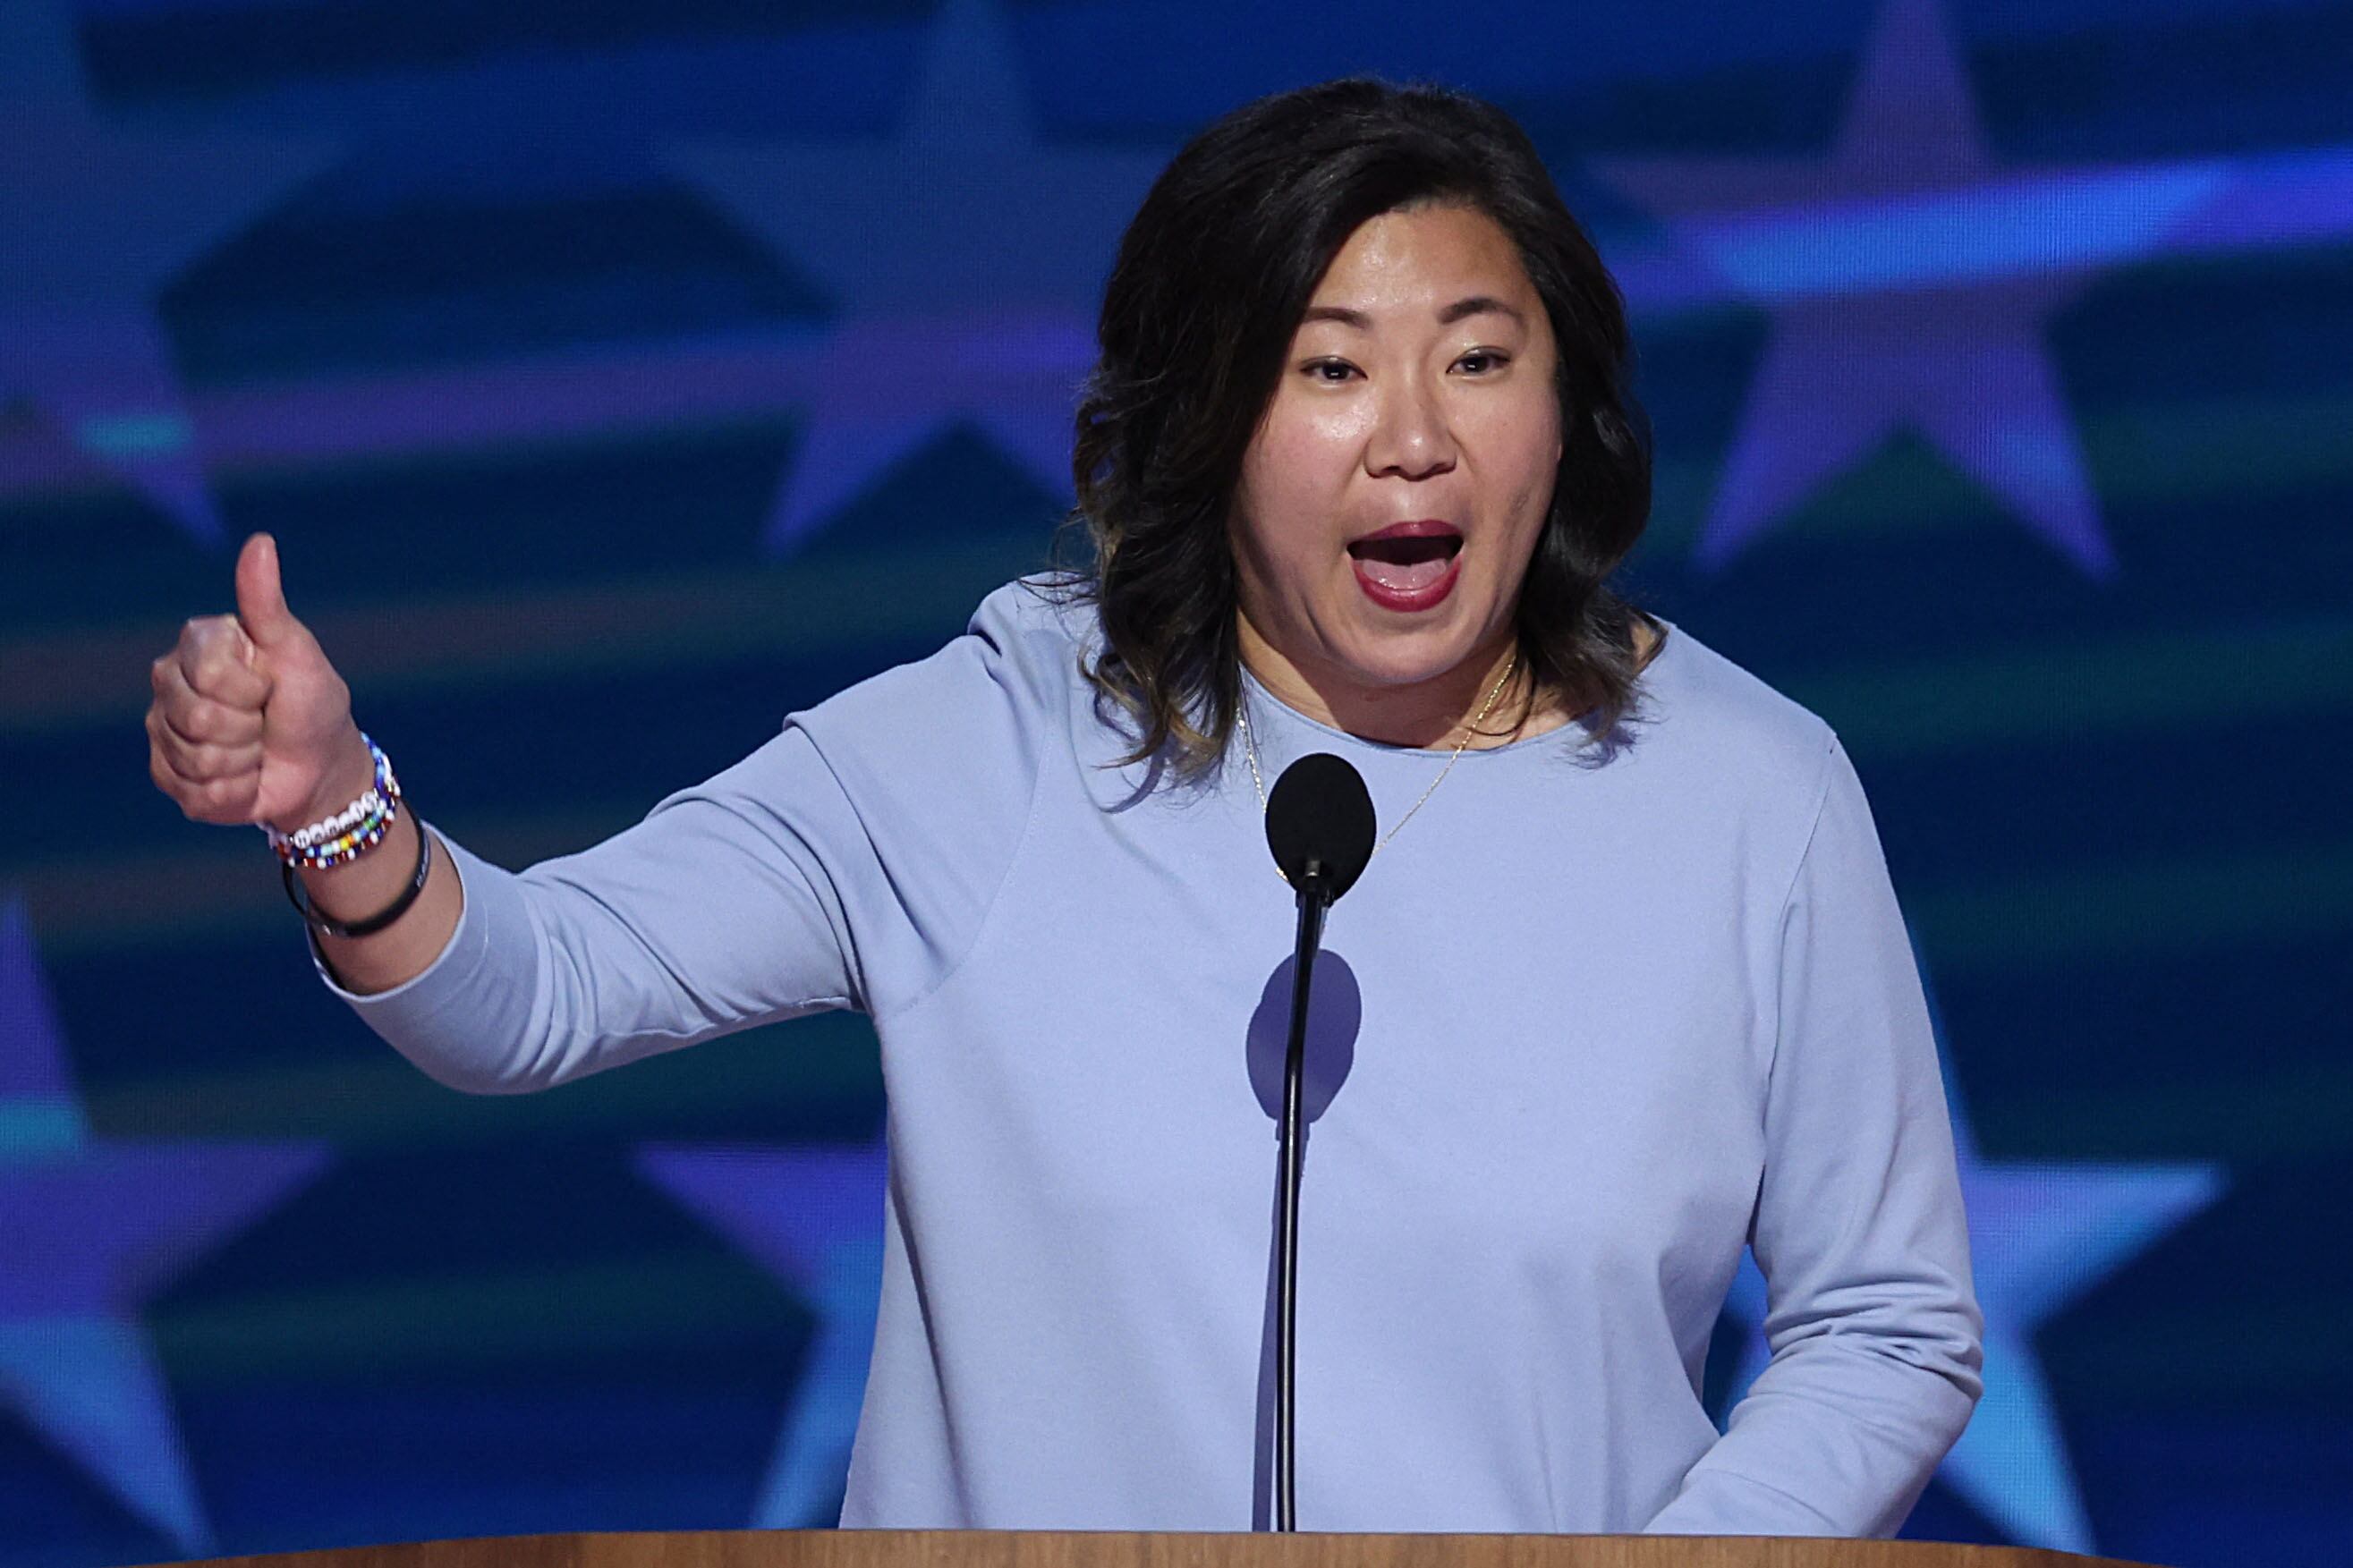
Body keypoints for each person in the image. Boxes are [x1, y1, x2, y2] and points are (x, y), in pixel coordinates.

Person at [145, 77, 1983, 1537]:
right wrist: (337, 814)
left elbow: (1884, 1322)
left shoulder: (1747, 791)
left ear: (1564, 408)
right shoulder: (1008, 735)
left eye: (1478, 358)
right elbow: (540, 986)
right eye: (1326, 366)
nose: (1411, 434)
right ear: (1205, 423)